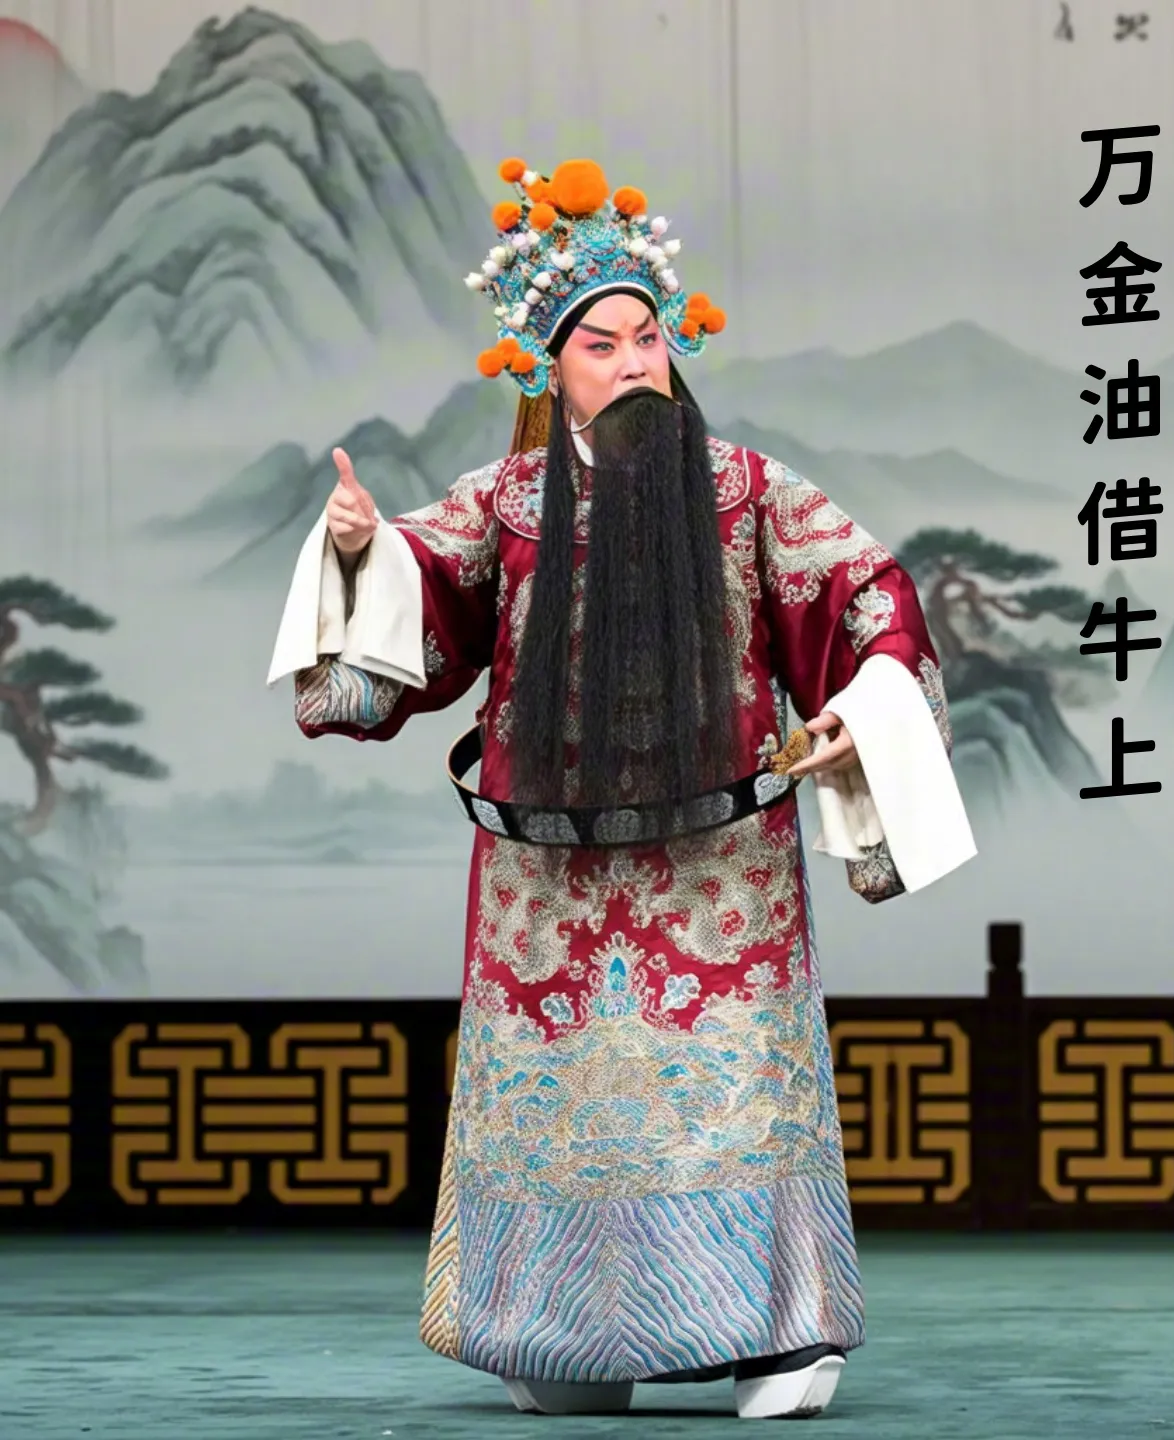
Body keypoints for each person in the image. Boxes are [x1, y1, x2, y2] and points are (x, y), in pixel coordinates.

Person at [267, 156, 976, 1420]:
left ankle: (781, 1338)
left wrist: (862, 706)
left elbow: (871, 597)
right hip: (545, 887)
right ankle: (561, 1338)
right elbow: (418, 601)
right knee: (556, 1115)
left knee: (732, 1104)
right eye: (602, 346)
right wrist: (364, 555)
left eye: (649, 339)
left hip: (721, 880)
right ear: (551, 370)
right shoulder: (506, 503)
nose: (636, 363)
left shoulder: (750, 491)